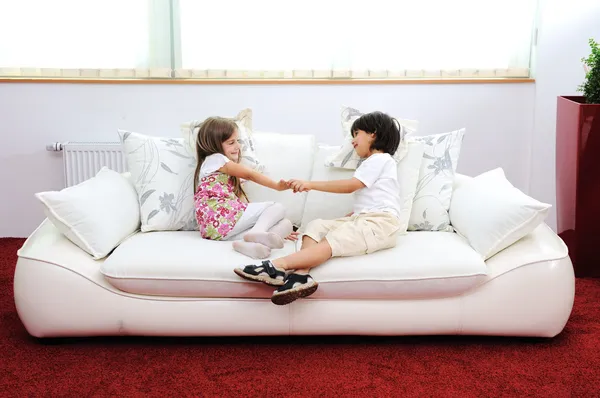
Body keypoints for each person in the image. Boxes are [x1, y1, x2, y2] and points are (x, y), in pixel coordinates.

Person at [234, 111, 405, 305]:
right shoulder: (372, 163)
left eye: (356, 134)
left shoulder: (381, 159)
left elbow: (351, 186)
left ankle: (276, 266)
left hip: (379, 223)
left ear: (373, 133)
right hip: (365, 219)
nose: (353, 141)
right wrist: (356, 214)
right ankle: (300, 276)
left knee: (334, 239)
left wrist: (310, 184)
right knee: (315, 226)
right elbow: (374, 195)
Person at [193, 116, 298, 261]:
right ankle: (257, 232)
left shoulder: (218, 171)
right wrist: (277, 186)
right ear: (214, 145)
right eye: (231, 142)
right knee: (277, 207)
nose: (237, 146)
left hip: (217, 229)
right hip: (221, 217)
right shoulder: (216, 159)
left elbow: (241, 206)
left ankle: (248, 246)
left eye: (237, 141)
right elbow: (250, 175)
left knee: (286, 225)